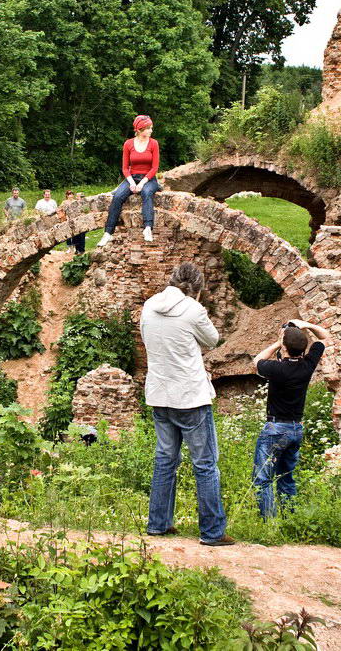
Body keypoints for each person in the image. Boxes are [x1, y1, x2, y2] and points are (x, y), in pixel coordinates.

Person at [141, 263, 234, 547]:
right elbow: (213, 340)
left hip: (160, 394)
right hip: (190, 396)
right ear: (197, 288)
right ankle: (212, 532)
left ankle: (158, 524)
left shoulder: (149, 306)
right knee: (205, 464)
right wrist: (197, 305)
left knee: (165, 460)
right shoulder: (193, 310)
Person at [251, 319, 330, 518]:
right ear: (304, 348)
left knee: (263, 479)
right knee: (286, 477)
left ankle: (269, 524)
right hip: (296, 429)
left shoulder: (276, 369)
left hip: (276, 429)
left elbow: (257, 360)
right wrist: (306, 325)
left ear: (285, 348)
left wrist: (278, 342)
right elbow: (324, 336)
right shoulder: (308, 365)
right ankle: (290, 519)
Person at [97, 114, 160, 247]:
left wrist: (142, 183)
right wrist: (131, 182)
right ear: (140, 129)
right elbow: (125, 168)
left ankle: (148, 228)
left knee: (146, 193)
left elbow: (154, 168)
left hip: (148, 178)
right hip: (132, 177)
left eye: (151, 128)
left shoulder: (154, 143)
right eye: (149, 128)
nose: (151, 130)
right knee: (118, 196)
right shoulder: (128, 144)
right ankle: (108, 233)